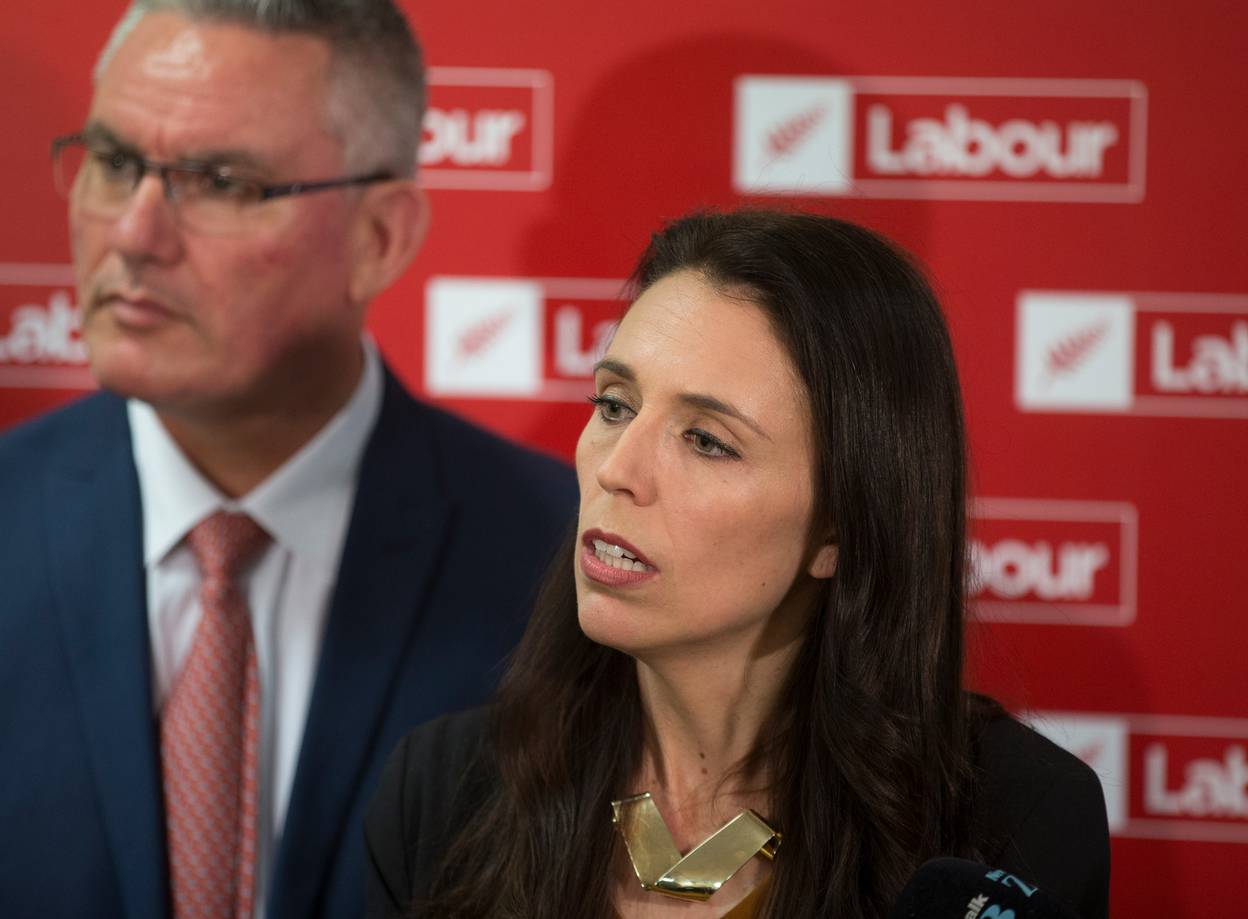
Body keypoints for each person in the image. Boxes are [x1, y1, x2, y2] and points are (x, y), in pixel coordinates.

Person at [0, 1, 575, 917]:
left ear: (380, 238)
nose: (134, 233)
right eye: (115, 163)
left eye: (220, 181)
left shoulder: (564, 560)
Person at [364, 209, 1111, 919]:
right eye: (616, 404)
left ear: (842, 528)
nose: (617, 467)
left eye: (706, 440)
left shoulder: (1014, 818)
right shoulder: (441, 793)